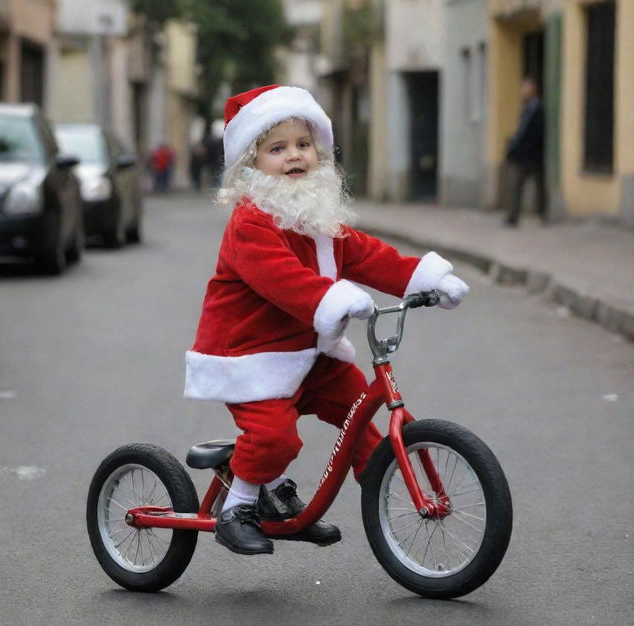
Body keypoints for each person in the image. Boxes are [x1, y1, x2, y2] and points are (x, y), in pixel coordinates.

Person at [184, 85, 470, 555]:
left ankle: (373, 485)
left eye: (303, 144)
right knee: (274, 437)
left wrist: (428, 280)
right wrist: (333, 299)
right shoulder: (250, 223)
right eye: (277, 149)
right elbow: (282, 279)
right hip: (252, 354)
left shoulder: (318, 220)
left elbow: (371, 257)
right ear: (252, 165)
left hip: (309, 351)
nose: (294, 156)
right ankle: (237, 508)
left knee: (360, 409)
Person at [505, 76, 546, 227]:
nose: (523, 90)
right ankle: (513, 216)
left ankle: (543, 214)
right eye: (523, 87)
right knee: (516, 185)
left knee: (540, 186)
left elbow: (537, 133)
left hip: (534, 154)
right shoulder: (526, 107)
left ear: (534, 88)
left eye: (526, 87)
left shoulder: (539, 108)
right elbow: (521, 130)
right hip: (521, 155)